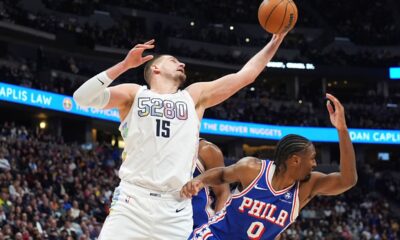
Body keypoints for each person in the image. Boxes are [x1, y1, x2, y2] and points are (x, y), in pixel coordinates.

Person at [73, 33, 287, 239]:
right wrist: (124, 65)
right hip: (132, 202)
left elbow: (245, 76)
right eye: (174, 60)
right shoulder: (134, 93)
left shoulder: (193, 96)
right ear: (155, 68)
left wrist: (276, 40)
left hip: (176, 209)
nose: (182, 64)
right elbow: (81, 98)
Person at [181, 93, 358, 240]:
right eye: (312, 158)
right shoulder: (253, 169)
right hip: (213, 237)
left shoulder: (308, 186)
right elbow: (221, 175)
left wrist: (342, 130)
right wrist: (199, 180)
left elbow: (348, 180)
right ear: (295, 160)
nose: (315, 164)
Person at [193, 139, 230, 229]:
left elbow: (223, 193)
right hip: (159, 218)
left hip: (199, 225)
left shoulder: (206, 149)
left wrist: (216, 227)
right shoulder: (156, 146)